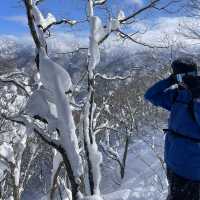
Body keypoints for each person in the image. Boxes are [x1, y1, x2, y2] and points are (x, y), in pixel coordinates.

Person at [144, 57, 200, 200]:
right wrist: (170, 81)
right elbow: (150, 95)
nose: (185, 81)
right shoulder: (176, 96)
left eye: (190, 77)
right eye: (181, 77)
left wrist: (197, 96)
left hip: (192, 170)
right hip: (173, 163)